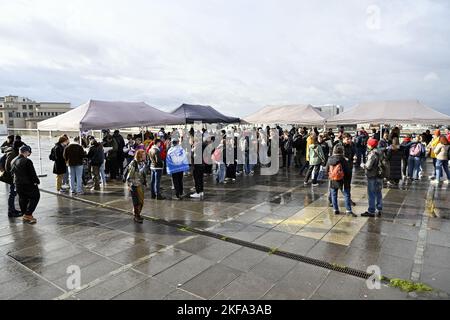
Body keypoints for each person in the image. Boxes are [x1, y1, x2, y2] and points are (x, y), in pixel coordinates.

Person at [10, 145, 40, 224]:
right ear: (26, 152)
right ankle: (28, 214)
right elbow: (32, 174)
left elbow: (9, 170)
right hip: (27, 184)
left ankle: (24, 214)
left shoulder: (13, 160)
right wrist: (37, 181)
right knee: (36, 196)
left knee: (22, 198)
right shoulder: (27, 161)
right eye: (29, 152)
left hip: (17, 183)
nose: (29, 154)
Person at [325, 145, 356, 216]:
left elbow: (326, 170)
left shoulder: (330, 159)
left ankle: (335, 209)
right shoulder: (343, 160)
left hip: (333, 180)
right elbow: (348, 171)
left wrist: (330, 176)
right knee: (346, 195)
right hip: (344, 181)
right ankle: (348, 210)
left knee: (334, 194)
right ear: (342, 152)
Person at [361, 138, 383, 217]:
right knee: (378, 192)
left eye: (368, 144)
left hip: (372, 176)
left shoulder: (373, 154)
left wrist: (363, 165)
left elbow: (368, 166)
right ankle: (379, 208)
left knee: (371, 193)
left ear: (371, 145)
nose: (367, 145)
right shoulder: (380, 151)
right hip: (380, 175)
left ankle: (371, 210)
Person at [126, 149, 148, 223]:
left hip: (140, 184)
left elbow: (143, 174)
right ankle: (136, 216)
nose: (145, 156)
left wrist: (145, 182)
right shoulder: (134, 163)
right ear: (139, 155)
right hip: (134, 185)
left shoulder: (143, 163)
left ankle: (137, 214)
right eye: (144, 154)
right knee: (137, 202)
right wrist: (130, 185)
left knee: (141, 201)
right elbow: (129, 176)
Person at [4, 141, 22, 217]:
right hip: (13, 178)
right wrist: (13, 174)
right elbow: (7, 166)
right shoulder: (13, 154)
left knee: (13, 194)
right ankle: (11, 211)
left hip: (13, 177)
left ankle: (12, 210)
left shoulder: (13, 152)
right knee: (12, 195)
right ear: (18, 147)